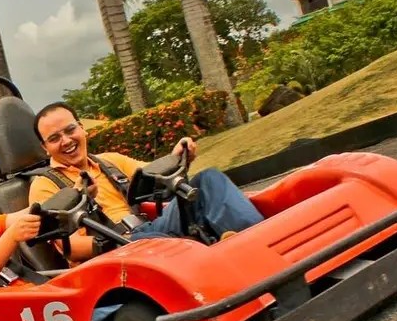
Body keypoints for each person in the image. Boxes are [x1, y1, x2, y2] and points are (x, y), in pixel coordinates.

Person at [28, 102, 264, 263]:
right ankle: (222, 261)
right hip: (111, 255)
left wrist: (178, 157)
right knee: (158, 242)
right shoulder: (45, 185)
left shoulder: (110, 161)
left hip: (147, 230)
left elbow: (155, 176)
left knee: (208, 180)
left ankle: (259, 247)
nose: (66, 141)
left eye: (70, 130)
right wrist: (115, 239)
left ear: (81, 128)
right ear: (45, 147)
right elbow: (69, 248)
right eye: (54, 138)